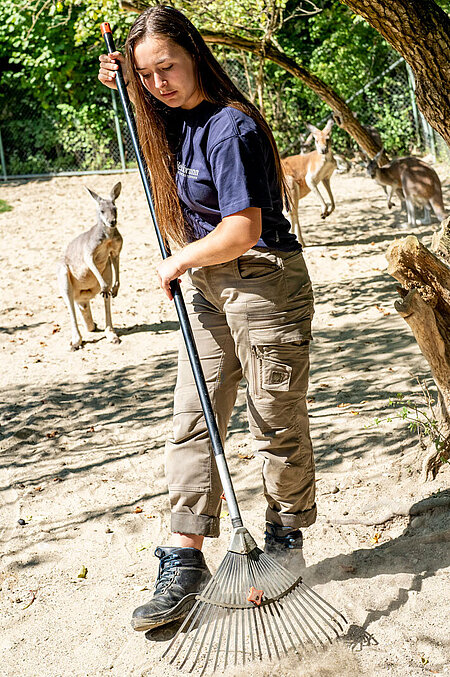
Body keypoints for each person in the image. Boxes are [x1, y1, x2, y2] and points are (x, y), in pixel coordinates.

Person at [98, 5, 316, 633]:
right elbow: (153, 120)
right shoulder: (178, 119)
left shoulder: (231, 128)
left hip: (264, 281)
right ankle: (184, 557)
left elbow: (242, 228)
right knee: (194, 418)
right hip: (209, 284)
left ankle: (283, 540)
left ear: (195, 54)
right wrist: (127, 89)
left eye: (168, 66)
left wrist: (176, 263)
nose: (159, 82)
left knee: (274, 416)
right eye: (147, 75)